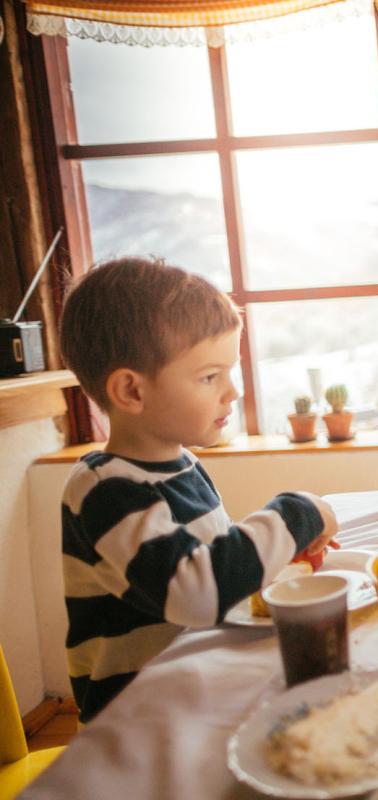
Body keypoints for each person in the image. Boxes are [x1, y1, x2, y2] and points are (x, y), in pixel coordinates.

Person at [58, 258, 338, 722]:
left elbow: (218, 565)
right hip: (141, 722)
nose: (232, 392)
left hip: (199, 690)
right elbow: (197, 592)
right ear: (131, 392)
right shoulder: (104, 488)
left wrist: (281, 559)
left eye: (230, 372)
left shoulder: (184, 465)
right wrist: (296, 514)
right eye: (210, 376)